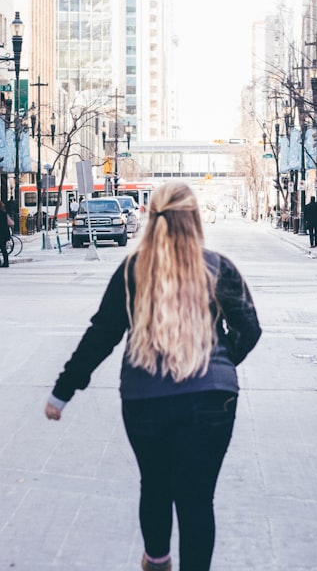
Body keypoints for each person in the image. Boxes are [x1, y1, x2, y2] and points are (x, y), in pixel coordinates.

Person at [45, 181, 262, 571]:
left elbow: (102, 335)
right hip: (213, 400)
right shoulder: (217, 267)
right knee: (197, 500)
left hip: (145, 400)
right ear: (195, 219)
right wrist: (220, 362)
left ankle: (157, 562)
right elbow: (250, 329)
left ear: (150, 216)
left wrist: (61, 393)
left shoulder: (133, 269)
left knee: (156, 486)